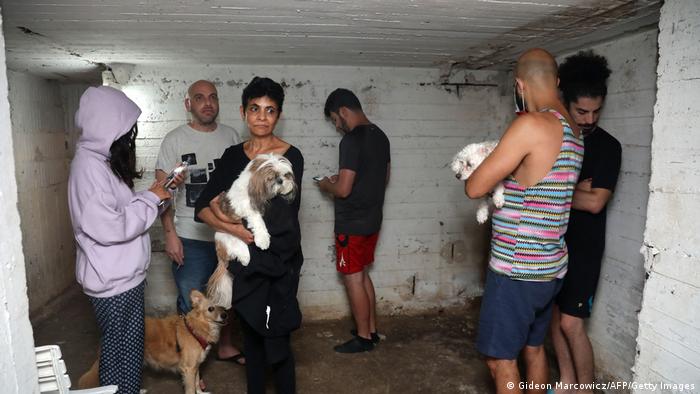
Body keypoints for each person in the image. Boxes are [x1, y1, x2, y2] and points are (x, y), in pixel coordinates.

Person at [465, 48, 584, 393]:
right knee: (533, 347)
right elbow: (536, 180)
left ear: (519, 85)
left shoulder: (530, 124)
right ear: (556, 82)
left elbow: (475, 187)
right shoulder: (573, 130)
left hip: (517, 269)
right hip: (550, 267)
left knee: (500, 360)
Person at [195, 76, 304, 394]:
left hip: (279, 263)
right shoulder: (232, 156)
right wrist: (234, 230)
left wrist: (237, 223)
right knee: (253, 341)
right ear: (243, 112)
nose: (261, 116)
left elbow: (285, 215)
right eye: (255, 108)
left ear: (278, 116)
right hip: (245, 265)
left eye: (270, 110)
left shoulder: (289, 157)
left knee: (279, 342)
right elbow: (203, 206)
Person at [68, 86, 172, 392]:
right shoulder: (87, 169)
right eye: (125, 130)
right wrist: (150, 199)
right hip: (112, 281)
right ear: (106, 125)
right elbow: (109, 227)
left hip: (122, 277)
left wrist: (154, 196)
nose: (128, 137)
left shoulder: (98, 162)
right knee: (121, 354)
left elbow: (119, 209)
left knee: (125, 350)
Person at [155, 80, 245, 365]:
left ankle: (226, 347)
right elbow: (161, 192)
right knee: (190, 302)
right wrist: (170, 235)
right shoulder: (175, 139)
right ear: (188, 104)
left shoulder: (231, 136)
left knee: (225, 299)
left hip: (226, 235)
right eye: (199, 98)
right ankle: (189, 362)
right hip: (189, 237)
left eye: (212, 97)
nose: (207, 103)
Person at [549, 51, 621, 393]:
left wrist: (556, 190)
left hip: (585, 248)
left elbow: (595, 202)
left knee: (571, 322)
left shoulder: (608, 147)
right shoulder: (555, 140)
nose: (590, 118)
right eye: (582, 111)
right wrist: (571, 189)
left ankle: (586, 389)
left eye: (596, 111)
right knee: (552, 315)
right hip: (551, 242)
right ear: (567, 102)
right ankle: (566, 384)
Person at [317, 88, 391, 353]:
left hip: (351, 223)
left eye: (336, 120)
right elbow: (382, 178)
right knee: (362, 275)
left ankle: (363, 338)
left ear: (344, 112)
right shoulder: (380, 136)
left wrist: (327, 185)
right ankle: (370, 329)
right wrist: (347, 182)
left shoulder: (351, 140)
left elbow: (344, 190)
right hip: (372, 219)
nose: (338, 126)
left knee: (352, 278)